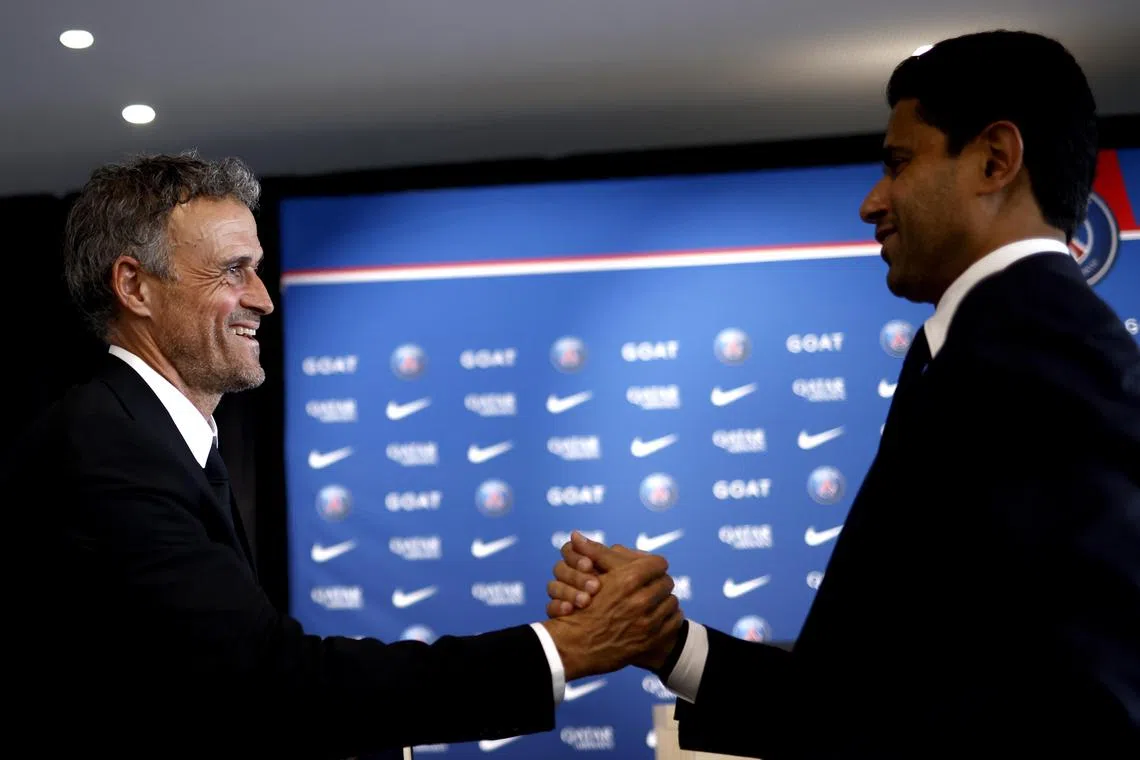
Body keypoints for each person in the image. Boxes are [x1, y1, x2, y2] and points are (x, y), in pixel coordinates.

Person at [546, 30, 1140, 758]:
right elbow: (878, 692)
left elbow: (1093, 701)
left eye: (898, 163)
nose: (871, 202)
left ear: (995, 160)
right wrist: (669, 645)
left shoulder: (1050, 359)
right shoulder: (978, 353)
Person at [3, 152, 682, 758]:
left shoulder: (144, 436)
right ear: (135, 287)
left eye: (259, 271)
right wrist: (566, 650)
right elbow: (271, 687)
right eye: (233, 271)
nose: (264, 300)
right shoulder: (105, 449)